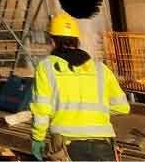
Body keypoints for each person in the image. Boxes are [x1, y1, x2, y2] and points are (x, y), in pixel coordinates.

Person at [29, 11, 129, 161]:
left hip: (66, 142)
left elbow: (42, 109)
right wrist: (95, 114)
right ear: (77, 40)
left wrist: (38, 138)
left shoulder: (46, 68)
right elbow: (122, 107)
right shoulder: (100, 68)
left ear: (53, 41)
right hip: (103, 142)